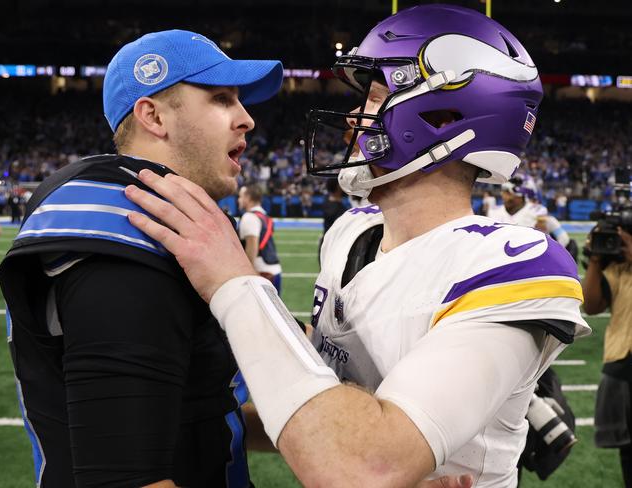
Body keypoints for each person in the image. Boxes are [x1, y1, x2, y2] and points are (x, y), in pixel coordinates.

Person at [125, 5, 590, 487]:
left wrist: (234, 281)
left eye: (373, 97)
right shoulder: (351, 232)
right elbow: (314, 421)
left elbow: (363, 467)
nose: (352, 117)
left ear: (442, 115)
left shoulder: (511, 262)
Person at [0, 29, 284, 488]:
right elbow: (123, 478)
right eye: (221, 99)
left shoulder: (164, 224)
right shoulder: (124, 238)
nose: (247, 118)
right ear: (153, 116)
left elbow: (197, 415)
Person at [582, 226, 632, 487]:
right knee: (628, 454)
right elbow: (591, 306)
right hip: (622, 366)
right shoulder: (619, 269)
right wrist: (596, 260)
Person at [237, 183, 282, 293]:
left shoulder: (249, 217)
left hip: (262, 273)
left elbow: (252, 248)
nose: (239, 200)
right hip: (273, 270)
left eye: (241, 196)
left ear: (248, 197)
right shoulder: (264, 215)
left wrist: (246, 275)